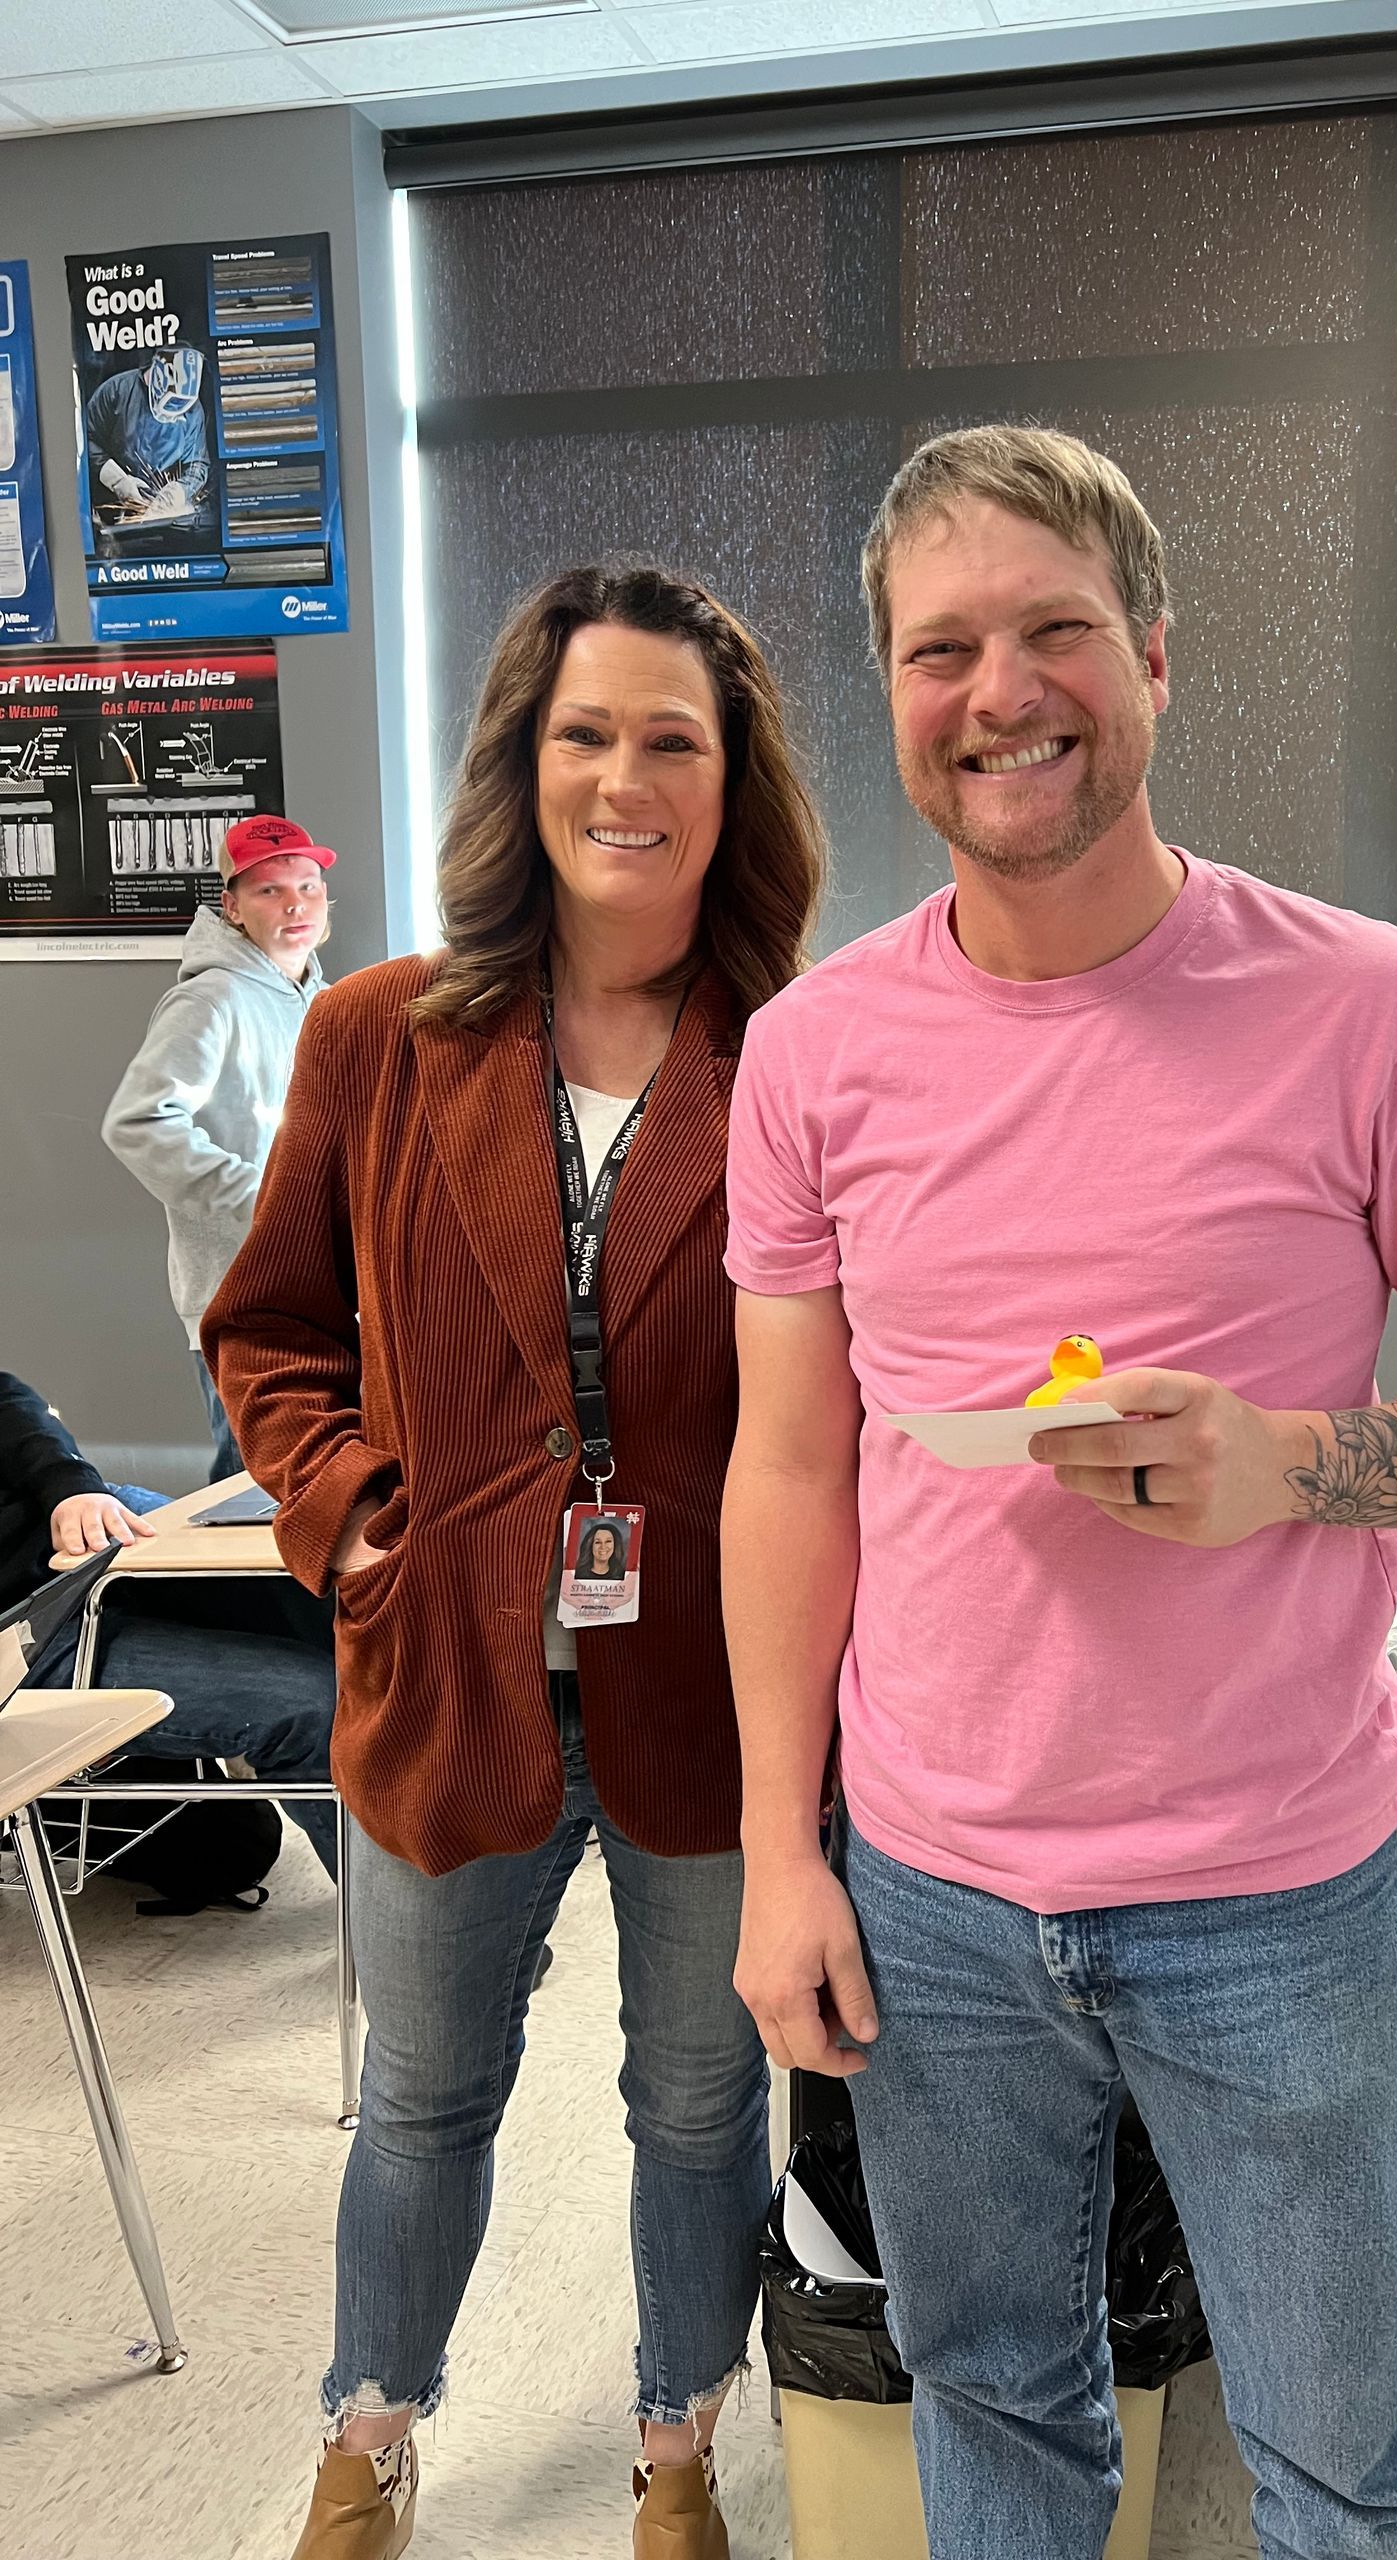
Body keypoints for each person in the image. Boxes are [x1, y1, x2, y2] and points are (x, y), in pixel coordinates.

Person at [722, 427, 1397, 2560]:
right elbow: (787, 1461)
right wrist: (781, 1844)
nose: (999, 688)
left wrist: (1295, 1462)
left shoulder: (1375, 1010)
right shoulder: (816, 1054)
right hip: (932, 1887)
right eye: (941, 647)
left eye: (1051, 628)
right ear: (891, 690)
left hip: (1275, 1890)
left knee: (1343, 2458)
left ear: (1151, 650)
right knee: (992, 2406)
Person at [203, 562, 824, 2560]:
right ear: (521, 763)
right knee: (420, 2102)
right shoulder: (382, 1034)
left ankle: (674, 2449)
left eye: (672, 739)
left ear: (733, 787)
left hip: (712, 1696)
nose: (623, 776)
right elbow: (270, 1328)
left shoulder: (808, 1054)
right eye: (585, 732)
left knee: (702, 2106)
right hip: (444, 1670)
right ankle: (370, 2440)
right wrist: (348, 1515)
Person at [0, 1369, 338, 1878]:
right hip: (21, 1640)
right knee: (313, 1702)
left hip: (73, 1536)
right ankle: (402, 1942)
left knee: (336, 1613)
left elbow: (7, 1395)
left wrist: (71, 1485)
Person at [103, 814, 333, 1482]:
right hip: (242, 1299)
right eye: (268, 890)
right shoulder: (212, 999)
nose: (294, 904)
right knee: (257, 1502)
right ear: (231, 907)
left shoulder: (318, 999)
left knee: (314, 1500)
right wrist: (267, 1202)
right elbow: (139, 1123)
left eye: (308, 886)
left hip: (314, 1292)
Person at [84, 347, 211, 532]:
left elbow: (198, 463)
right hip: (107, 510)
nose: (173, 417)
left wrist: (180, 490)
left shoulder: (193, 411)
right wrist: (117, 479)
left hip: (161, 516)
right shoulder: (116, 391)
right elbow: (83, 441)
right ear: (157, 377)